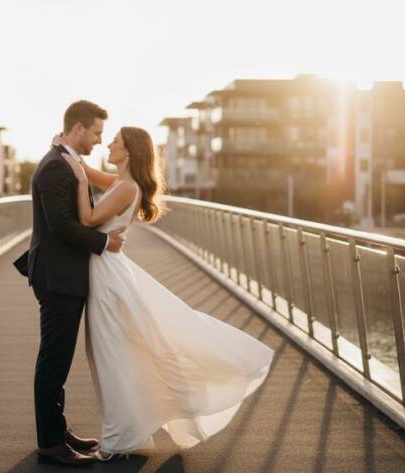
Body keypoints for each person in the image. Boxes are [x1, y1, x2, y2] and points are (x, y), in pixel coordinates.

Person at [56, 126, 274, 461]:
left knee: (109, 354)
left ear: (128, 152)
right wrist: (68, 151)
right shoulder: (122, 183)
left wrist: (80, 179)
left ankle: (119, 439)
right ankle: (127, 432)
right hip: (107, 272)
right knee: (113, 352)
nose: (109, 144)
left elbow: (86, 219)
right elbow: (87, 171)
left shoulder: (125, 187)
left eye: (115, 141)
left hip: (107, 278)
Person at [14, 100, 126, 466]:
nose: (98, 140)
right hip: (58, 276)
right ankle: (50, 443)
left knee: (58, 359)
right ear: (78, 128)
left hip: (63, 274)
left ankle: (56, 430)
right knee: (53, 360)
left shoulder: (66, 162)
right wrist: (104, 243)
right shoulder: (54, 168)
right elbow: (61, 226)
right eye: (95, 133)